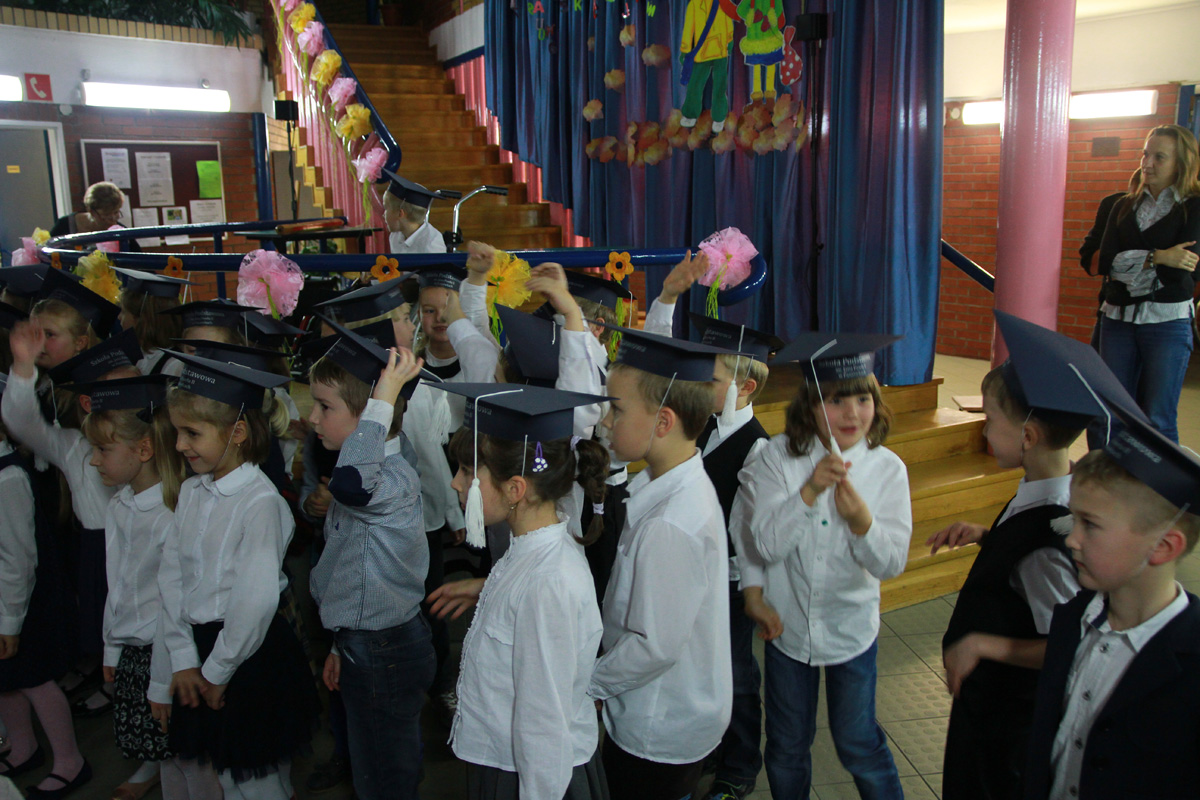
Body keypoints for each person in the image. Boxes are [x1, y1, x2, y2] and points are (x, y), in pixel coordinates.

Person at [733, 333, 908, 800]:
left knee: (857, 742)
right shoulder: (777, 458)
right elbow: (766, 546)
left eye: (862, 399)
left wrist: (862, 522)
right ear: (810, 406)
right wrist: (808, 493)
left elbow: (891, 563)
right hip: (789, 629)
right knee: (788, 744)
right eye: (835, 400)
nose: (852, 413)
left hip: (851, 630)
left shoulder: (887, 469)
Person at [928, 311, 1088, 800]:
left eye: (990, 421)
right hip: (989, 707)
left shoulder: (1049, 546)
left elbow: (1067, 644)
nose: (983, 432)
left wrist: (984, 645)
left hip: (1008, 723)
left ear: (1029, 436)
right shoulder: (1042, 490)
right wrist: (989, 537)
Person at [431, 383, 612, 799]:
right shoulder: (532, 546)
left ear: (515, 489)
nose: (456, 483)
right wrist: (489, 589)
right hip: (505, 757)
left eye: (467, 471)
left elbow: (543, 724)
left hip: (530, 776)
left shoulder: (548, 582)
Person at [156, 351, 319, 799]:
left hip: (248, 655)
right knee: (225, 775)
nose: (179, 445)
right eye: (177, 432)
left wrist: (217, 670)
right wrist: (183, 657)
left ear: (238, 433)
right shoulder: (191, 492)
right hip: (201, 652)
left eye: (192, 433)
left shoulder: (260, 503)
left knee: (257, 780)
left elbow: (255, 598)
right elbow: (172, 578)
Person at [1023, 398, 1200, 800]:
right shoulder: (1071, 619)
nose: (1072, 539)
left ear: (1163, 547)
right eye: (1074, 518)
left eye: (1090, 524)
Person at [587, 326, 733, 800]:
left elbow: (654, 647)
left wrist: (587, 685)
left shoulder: (670, 523)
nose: (606, 421)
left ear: (663, 421)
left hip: (659, 720)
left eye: (617, 409)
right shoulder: (671, 485)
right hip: (666, 706)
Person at [307, 321, 433, 800]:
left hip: (386, 649)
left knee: (384, 775)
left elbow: (351, 485)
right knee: (373, 760)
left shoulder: (389, 479)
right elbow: (354, 572)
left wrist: (382, 399)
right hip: (365, 640)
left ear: (369, 418)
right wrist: (341, 644)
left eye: (325, 407)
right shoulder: (366, 468)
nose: (313, 418)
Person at [74, 375, 183, 800]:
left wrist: (159, 673)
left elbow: (173, 604)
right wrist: (111, 646)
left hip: (166, 651)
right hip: (135, 646)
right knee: (157, 744)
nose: (93, 461)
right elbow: (117, 583)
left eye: (103, 450)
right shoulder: (120, 504)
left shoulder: (169, 515)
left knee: (181, 749)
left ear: (144, 449)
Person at [0, 374, 91, 798]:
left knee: (35, 677)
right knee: (6, 677)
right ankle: (23, 746)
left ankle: (70, 761)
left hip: (22, 603)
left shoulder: (8, 479)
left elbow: (18, 559)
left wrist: (9, 621)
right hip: (6, 600)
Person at [1094, 124, 1200, 443]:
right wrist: (1159, 257)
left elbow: (1182, 274)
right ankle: (1105, 474)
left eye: (1159, 157)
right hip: (1117, 320)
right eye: (1145, 154)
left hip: (1167, 323)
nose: (1147, 163)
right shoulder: (1122, 205)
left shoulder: (1194, 207)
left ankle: (1154, 478)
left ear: (1181, 163)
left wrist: (1131, 265)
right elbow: (1107, 263)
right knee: (1108, 411)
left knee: (1158, 419)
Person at [111, 267, 193, 378]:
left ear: (141, 318)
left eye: (124, 311)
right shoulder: (140, 356)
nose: (119, 317)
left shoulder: (175, 366)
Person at [48, 182, 140, 252]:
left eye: (116, 212)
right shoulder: (65, 225)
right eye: (106, 214)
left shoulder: (120, 232)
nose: (112, 219)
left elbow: (140, 262)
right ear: (91, 211)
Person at [380, 170, 447, 255]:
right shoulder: (395, 237)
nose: (383, 214)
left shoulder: (432, 244)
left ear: (400, 213)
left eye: (386, 209)